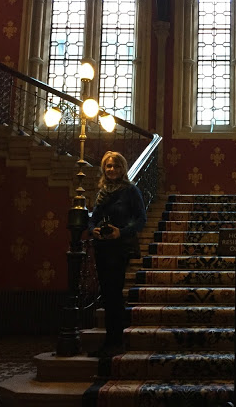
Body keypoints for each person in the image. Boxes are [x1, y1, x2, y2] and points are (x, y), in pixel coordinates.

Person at [88, 151, 146, 357]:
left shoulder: (130, 191)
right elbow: (93, 218)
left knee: (114, 294)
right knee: (107, 294)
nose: (111, 170)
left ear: (123, 168)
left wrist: (120, 231)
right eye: (108, 166)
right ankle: (110, 340)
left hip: (119, 248)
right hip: (102, 247)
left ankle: (116, 341)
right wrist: (92, 229)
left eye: (116, 166)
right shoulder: (102, 191)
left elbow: (141, 219)